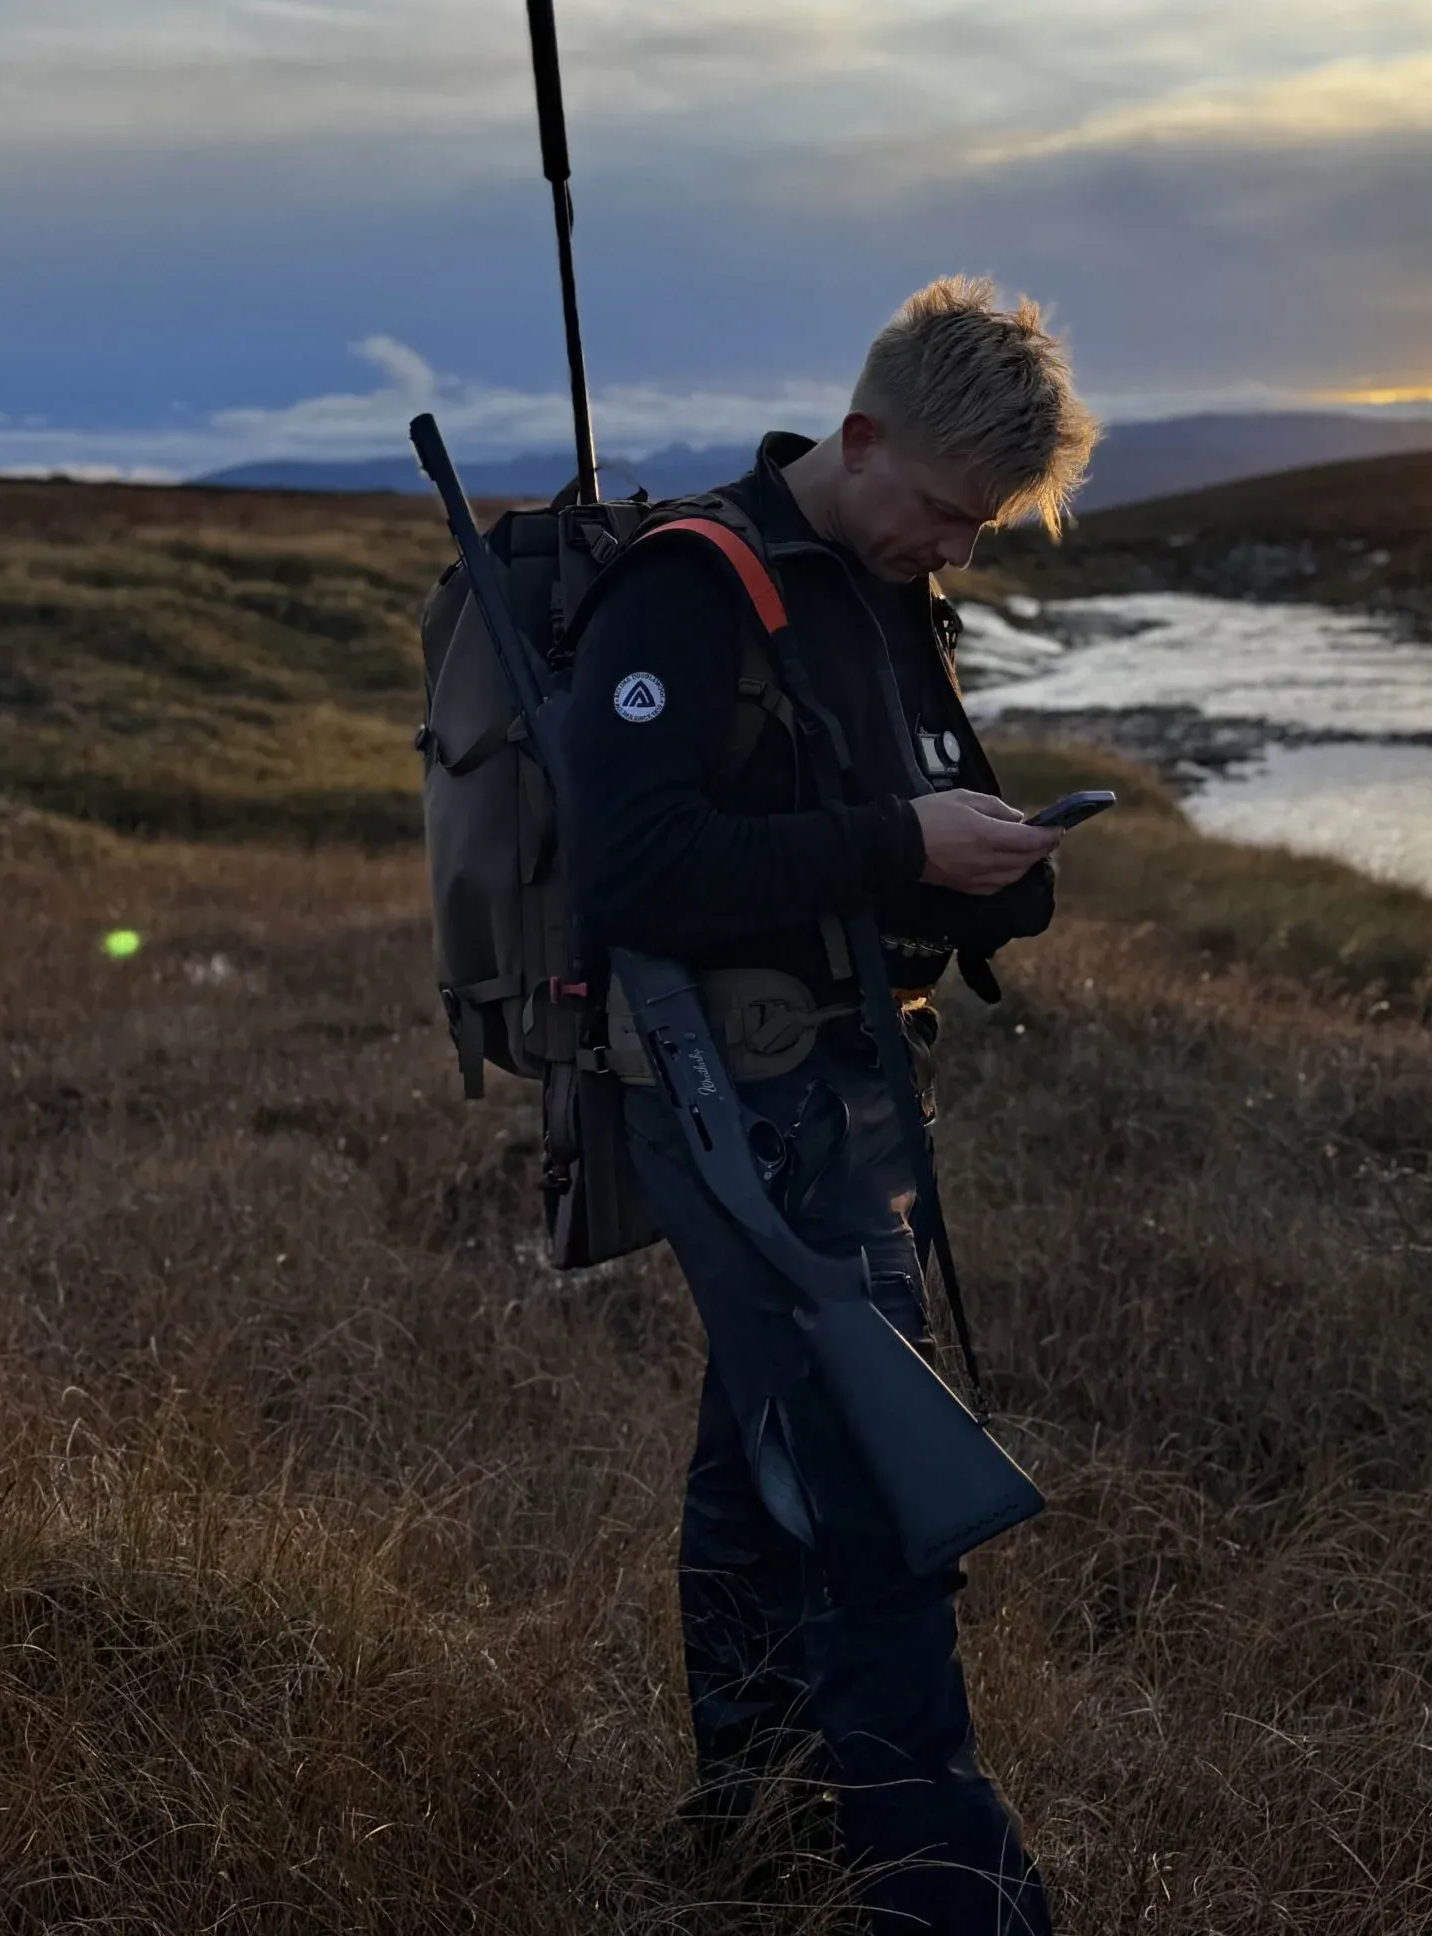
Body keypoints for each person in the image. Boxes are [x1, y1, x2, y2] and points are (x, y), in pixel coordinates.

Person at [561, 275, 1102, 1933]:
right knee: (877, 1494)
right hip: (733, 1096)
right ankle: (955, 1902)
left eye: (980, 528)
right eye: (943, 510)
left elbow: (909, 823)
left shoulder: (893, 594)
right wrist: (899, 845)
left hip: (852, 1089)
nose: (954, 550)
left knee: (764, 1465)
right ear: (861, 439)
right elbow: (633, 870)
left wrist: (1001, 872)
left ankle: (752, 1833)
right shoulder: (690, 590)